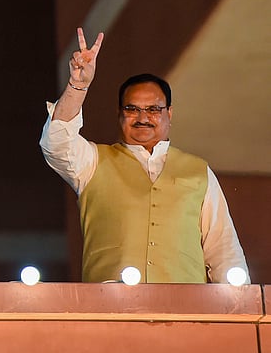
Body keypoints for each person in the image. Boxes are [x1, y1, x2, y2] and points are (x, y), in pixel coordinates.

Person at [39, 28, 248, 283]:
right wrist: (78, 85)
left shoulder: (198, 171)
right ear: (119, 113)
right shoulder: (93, 162)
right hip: (109, 311)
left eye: (153, 109)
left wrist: (235, 314)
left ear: (168, 114)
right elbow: (56, 141)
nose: (142, 117)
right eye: (132, 109)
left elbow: (223, 249)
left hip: (185, 314)